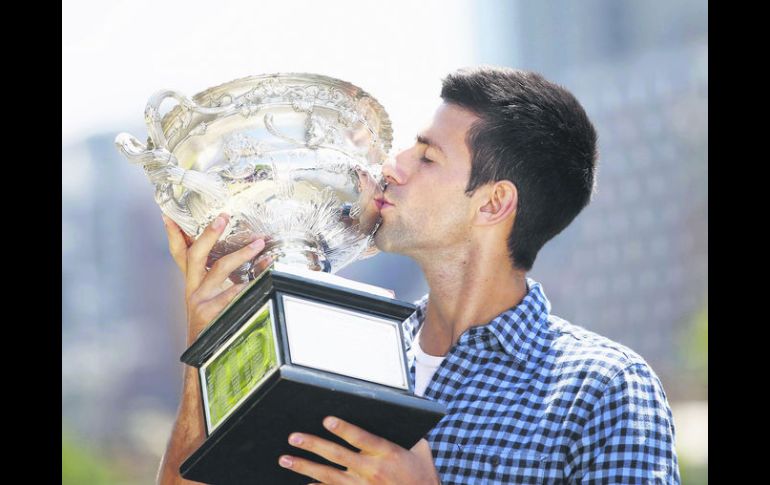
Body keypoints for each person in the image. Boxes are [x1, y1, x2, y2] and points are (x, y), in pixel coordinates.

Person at [157, 66, 680, 484]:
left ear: (495, 202)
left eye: (427, 157)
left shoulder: (602, 389)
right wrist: (207, 351)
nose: (393, 167)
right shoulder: (341, 354)